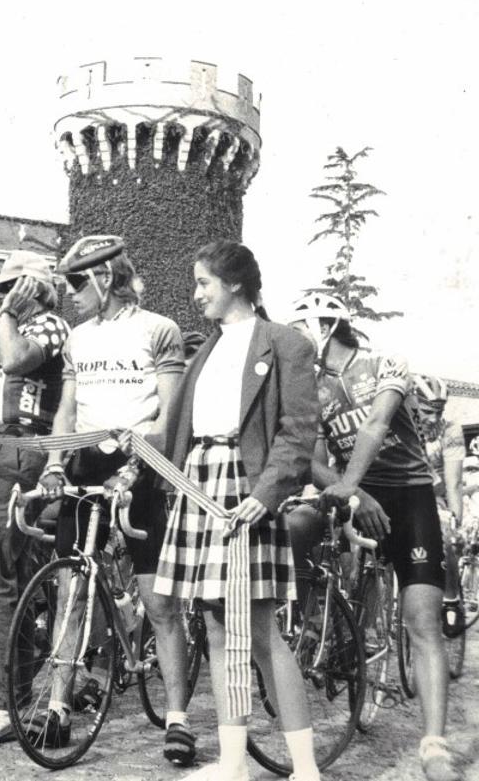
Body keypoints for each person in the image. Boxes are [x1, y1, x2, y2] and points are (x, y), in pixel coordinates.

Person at [153, 241, 320, 781]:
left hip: (246, 486)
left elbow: (298, 431)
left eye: (204, 283)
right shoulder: (208, 348)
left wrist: (266, 493)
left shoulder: (286, 343)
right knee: (218, 626)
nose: (197, 293)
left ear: (236, 285)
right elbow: (178, 427)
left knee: (263, 631)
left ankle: (305, 769)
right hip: (199, 483)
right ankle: (232, 766)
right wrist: (137, 461)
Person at [287, 293, 461, 781]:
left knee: (421, 619)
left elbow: (376, 422)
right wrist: (354, 495)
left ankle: (434, 745)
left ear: (324, 326)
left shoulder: (385, 363)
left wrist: (350, 486)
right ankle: (317, 630)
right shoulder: (310, 386)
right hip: (357, 495)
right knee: (299, 527)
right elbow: (307, 454)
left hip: (409, 497)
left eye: (300, 331)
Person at [36, 235, 194, 765]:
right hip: (85, 462)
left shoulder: (159, 329)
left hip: (141, 461)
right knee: (70, 591)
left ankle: (177, 718)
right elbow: (66, 409)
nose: (70, 293)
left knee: (158, 599)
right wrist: (55, 462)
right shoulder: (77, 338)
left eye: (77, 282)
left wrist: (136, 466)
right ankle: (57, 705)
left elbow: (169, 414)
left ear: (106, 278)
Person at [0, 251, 69, 747]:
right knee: (10, 577)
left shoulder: (49, 325)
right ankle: (11, 692)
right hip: (3, 445)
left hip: (20, 448)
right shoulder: (21, 325)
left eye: (9, 289)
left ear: (32, 289)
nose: (0, 298)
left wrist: (5, 318)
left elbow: (15, 362)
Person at [411, 373, 467, 636]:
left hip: (437, 494)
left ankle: (451, 600)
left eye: (439, 411)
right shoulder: (401, 424)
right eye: (426, 411)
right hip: (405, 491)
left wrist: (455, 520)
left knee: (446, 531)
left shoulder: (450, 429)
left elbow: (454, 482)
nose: (433, 418)